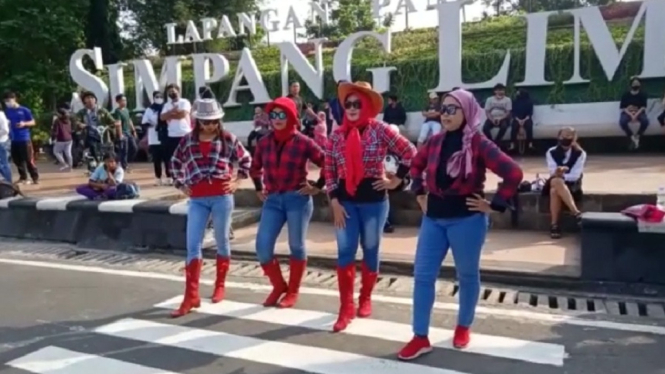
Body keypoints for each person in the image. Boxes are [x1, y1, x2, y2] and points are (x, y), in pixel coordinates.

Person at [398, 88, 523, 360]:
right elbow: (414, 166)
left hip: (467, 220)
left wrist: (495, 205)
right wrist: (420, 194)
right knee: (422, 277)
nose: (445, 114)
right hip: (434, 220)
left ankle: (463, 327)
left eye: (452, 109)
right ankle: (420, 336)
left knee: (466, 276)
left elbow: (513, 173)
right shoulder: (434, 142)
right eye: (443, 109)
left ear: (466, 111)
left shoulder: (478, 143)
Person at [324, 81, 417, 332]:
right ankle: (345, 307)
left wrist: (397, 180)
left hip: (374, 202)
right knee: (345, 252)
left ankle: (365, 297)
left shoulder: (380, 129)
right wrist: (333, 201)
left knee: (371, 249)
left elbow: (410, 152)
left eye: (357, 104)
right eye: (348, 104)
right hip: (345, 202)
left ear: (366, 105)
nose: (352, 108)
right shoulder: (336, 134)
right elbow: (329, 171)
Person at [169, 99, 251, 317]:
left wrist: (236, 181)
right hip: (197, 197)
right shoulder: (187, 141)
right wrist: (180, 184)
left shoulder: (227, 139)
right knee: (192, 244)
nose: (209, 126)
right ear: (198, 121)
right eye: (205, 122)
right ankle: (191, 295)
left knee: (222, 239)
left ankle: (220, 285)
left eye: (213, 121)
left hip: (222, 195)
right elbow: (175, 163)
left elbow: (246, 160)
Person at [250, 96, 325, 309]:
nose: (277, 119)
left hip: (297, 199)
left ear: (291, 116)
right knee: (262, 247)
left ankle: (293, 290)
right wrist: (258, 188)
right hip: (273, 199)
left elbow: (328, 162)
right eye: (273, 115)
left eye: (282, 114)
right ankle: (278, 285)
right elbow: (254, 168)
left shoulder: (303, 142)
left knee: (296, 245)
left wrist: (318, 186)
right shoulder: (264, 142)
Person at [543, 127, 585, 239]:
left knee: (554, 190)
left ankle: (554, 225)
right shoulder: (551, 152)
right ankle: (576, 212)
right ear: (558, 137)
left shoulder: (580, 153)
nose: (565, 139)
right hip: (555, 180)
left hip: (573, 184)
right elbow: (552, 171)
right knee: (556, 181)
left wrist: (563, 175)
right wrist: (558, 173)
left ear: (574, 138)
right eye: (563, 136)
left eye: (569, 136)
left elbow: (576, 175)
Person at [4, 91, 39, 184]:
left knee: (28, 159)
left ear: (14, 99)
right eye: (5, 101)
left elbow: (33, 122)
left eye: (8, 100)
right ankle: (23, 177)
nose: (7, 103)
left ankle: (34, 177)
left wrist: (24, 123)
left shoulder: (24, 110)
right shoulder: (8, 111)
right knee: (17, 160)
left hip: (24, 138)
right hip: (13, 139)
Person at [75, 91, 116, 164]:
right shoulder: (82, 112)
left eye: (92, 98)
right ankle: (96, 162)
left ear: (95, 100)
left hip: (102, 134)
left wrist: (112, 124)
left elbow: (112, 121)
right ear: (84, 101)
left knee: (108, 148)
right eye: (87, 98)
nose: (90, 100)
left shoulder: (102, 111)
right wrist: (80, 124)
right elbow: (76, 121)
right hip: (89, 134)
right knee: (92, 146)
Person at [161, 84, 192, 175]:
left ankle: (189, 173)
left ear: (178, 91)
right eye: (170, 92)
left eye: (174, 91)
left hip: (185, 133)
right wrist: (172, 111)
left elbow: (182, 115)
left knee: (187, 155)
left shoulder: (184, 102)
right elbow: (162, 117)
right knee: (173, 157)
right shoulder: (167, 105)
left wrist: (169, 114)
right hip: (172, 135)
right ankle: (176, 175)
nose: (172, 93)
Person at [142, 91, 170, 185]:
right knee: (157, 159)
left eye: (160, 96)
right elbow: (144, 122)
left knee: (167, 158)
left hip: (165, 135)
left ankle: (169, 177)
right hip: (154, 137)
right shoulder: (149, 110)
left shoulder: (166, 107)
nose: (158, 98)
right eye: (156, 97)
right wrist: (152, 124)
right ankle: (158, 178)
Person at [619, 77, 649, 150]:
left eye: (637, 84)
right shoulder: (625, 95)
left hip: (639, 112)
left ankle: (638, 136)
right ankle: (632, 136)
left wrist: (636, 115)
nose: (636, 85)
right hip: (627, 113)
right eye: (634, 83)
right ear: (631, 85)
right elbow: (622, 108)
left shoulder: (642, 95)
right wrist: (630, 114)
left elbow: (643, 107)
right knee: (622, 121)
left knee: (645, 121)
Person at [112, 94, 138, 170]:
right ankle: (124, 165)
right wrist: (120, 135)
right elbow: (118, 124)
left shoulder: (126, 110)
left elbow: (129, 120)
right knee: (124, 149)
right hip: (123, 133)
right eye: (122, 100)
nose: (124, 102)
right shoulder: (117, 111)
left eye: (125, 100)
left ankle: (124, 161)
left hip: (129, 132)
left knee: (134, 148)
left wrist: (133, 130)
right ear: (118, 101)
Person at [51, 104, 74, 171]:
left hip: (61, 139)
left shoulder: (57, 121)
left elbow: (56, 131)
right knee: (68, 153)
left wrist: (53, 138)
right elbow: (71, 129)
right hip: (69, 139)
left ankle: (64, 164)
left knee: (56, 152)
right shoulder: (68, 120)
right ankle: (70, 167)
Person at [0, 109, 11, 182]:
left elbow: (5, 130)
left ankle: (7, 183)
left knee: (3, 164)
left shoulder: (1, 115)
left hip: (2, 142)